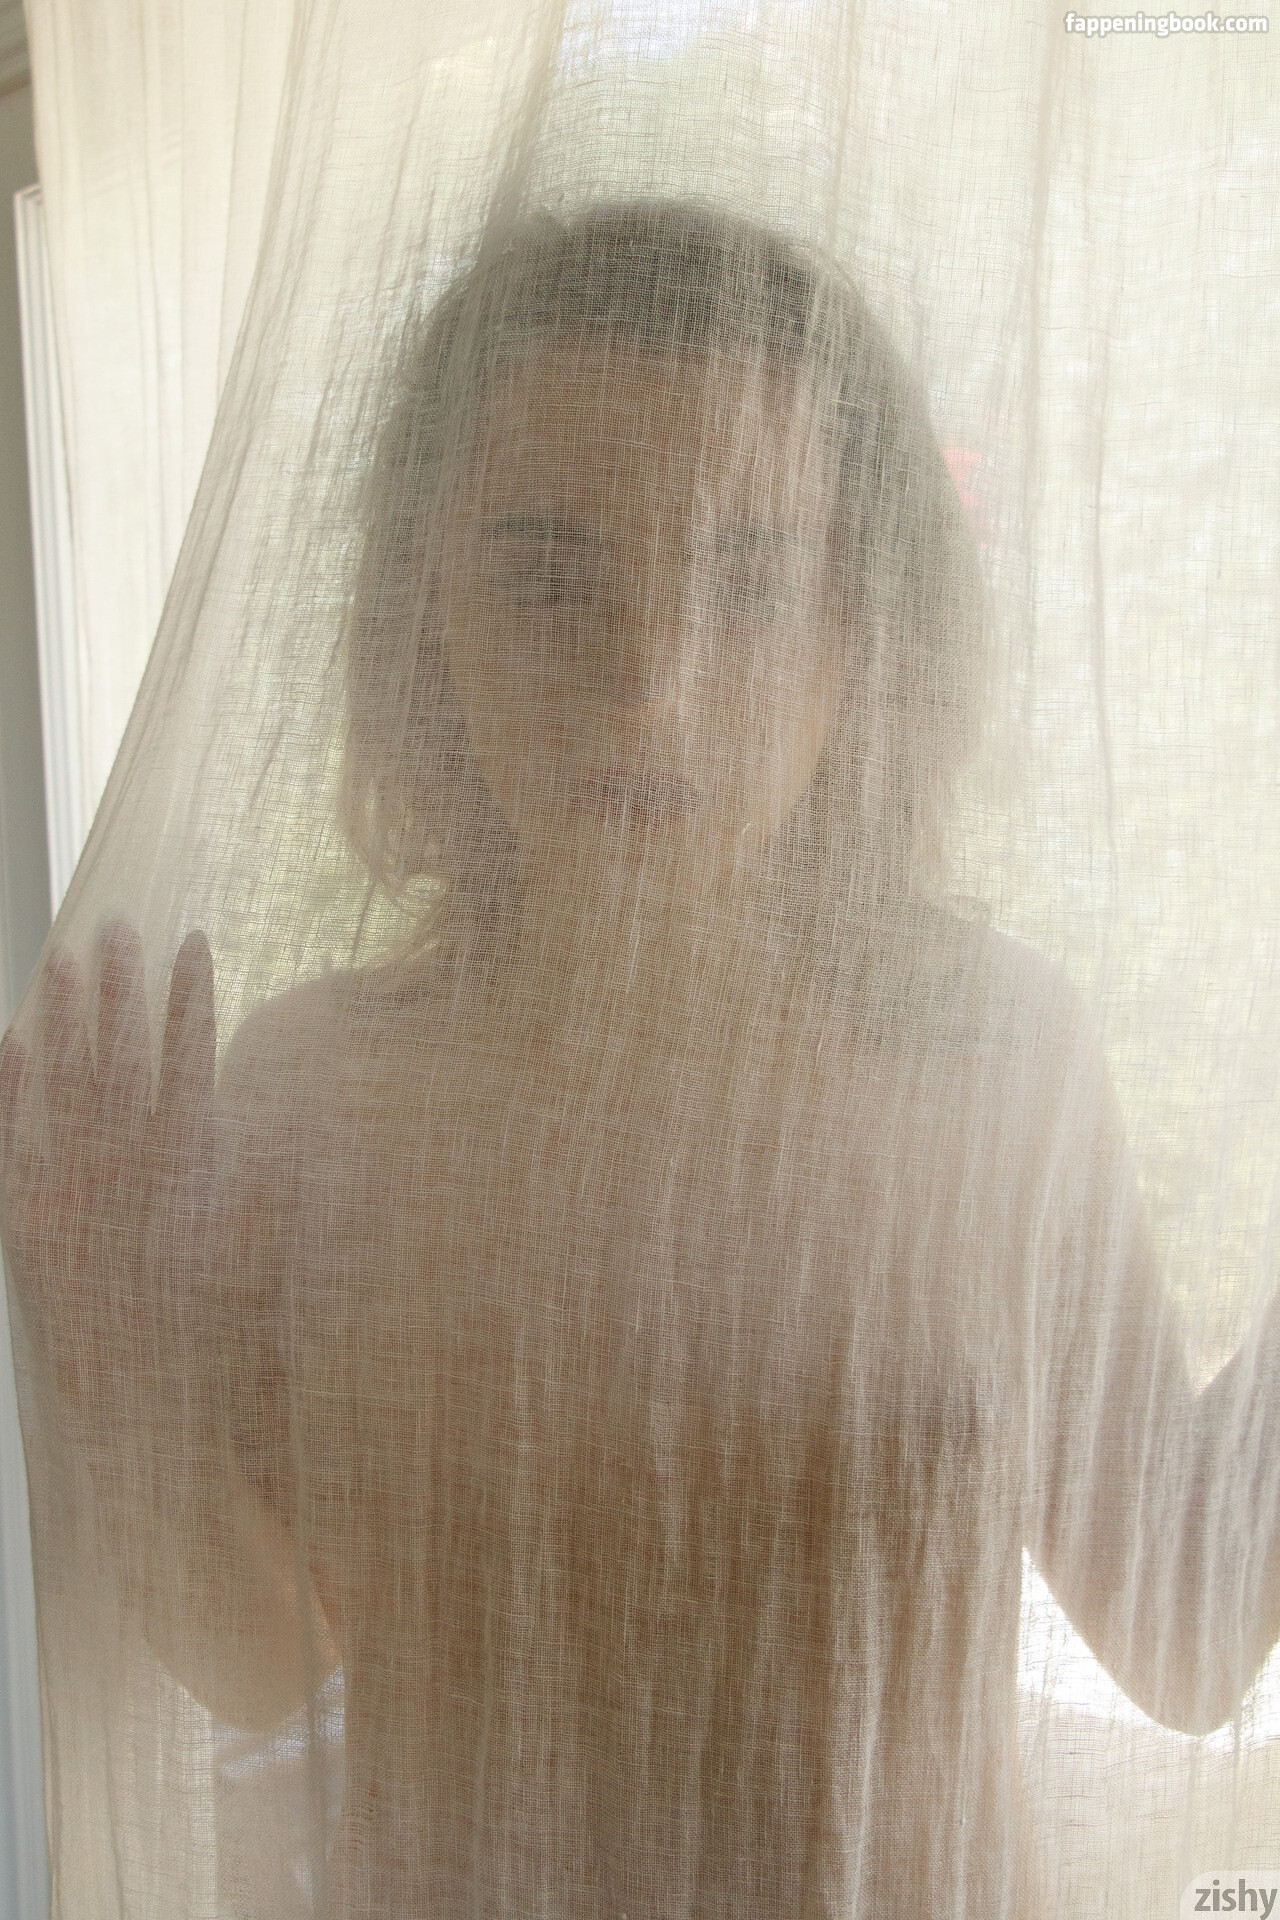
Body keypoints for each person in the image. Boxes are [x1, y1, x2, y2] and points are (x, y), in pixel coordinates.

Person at [3, 199, 1279, 1919]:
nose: (649, 686)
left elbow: (1188, 1637)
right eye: (547, 573)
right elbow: (265, 1660)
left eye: (749, 581)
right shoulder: (316, 1091)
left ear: (859, 634)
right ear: (427, 616)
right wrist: (113, 1362)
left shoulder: (1002, 1064)